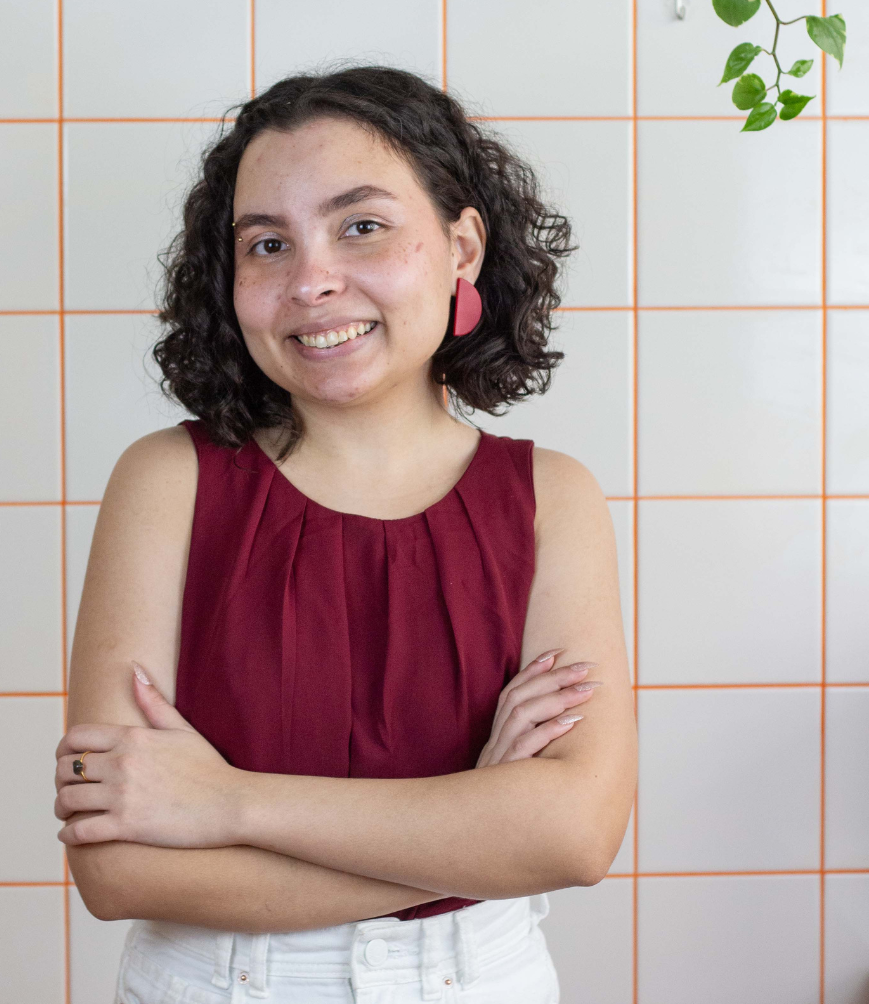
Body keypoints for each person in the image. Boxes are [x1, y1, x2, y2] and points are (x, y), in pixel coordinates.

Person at [53, 65, 638, 1003]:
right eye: (267, 244)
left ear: (461, 248)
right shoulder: (165, 483)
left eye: (361, 226)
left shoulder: (551, 500)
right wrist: (476, 830)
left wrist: (227, 803)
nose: (311, 281)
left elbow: (575, 836)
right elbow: (118, 871)